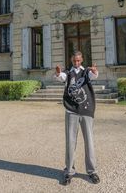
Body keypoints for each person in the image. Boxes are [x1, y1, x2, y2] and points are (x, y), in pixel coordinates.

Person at [55, 51, 100, 186]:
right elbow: (60, 77)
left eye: (79, 61)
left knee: (89, 141)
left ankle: (92, 171)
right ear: (71, 60)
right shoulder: (68, 74)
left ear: (82, 60)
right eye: (75, 61)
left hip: (86, 110)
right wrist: (57, 73)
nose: (77, 63)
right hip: (71, 111)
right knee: (70, 142)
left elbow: (94, 75)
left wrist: (95, 70)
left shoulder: (86, 72)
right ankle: (69, 171)